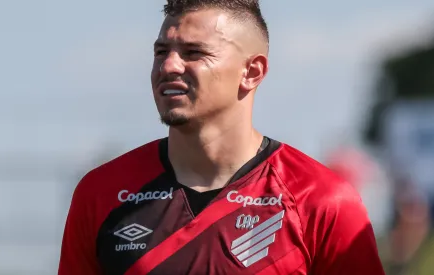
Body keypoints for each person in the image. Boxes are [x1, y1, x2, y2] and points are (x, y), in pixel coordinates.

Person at [58, 0, 385, 274]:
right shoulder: (101, 193)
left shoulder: (322, 200)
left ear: (252, 72)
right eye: (161, 52)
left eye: (193, 52)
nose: (169, 65)